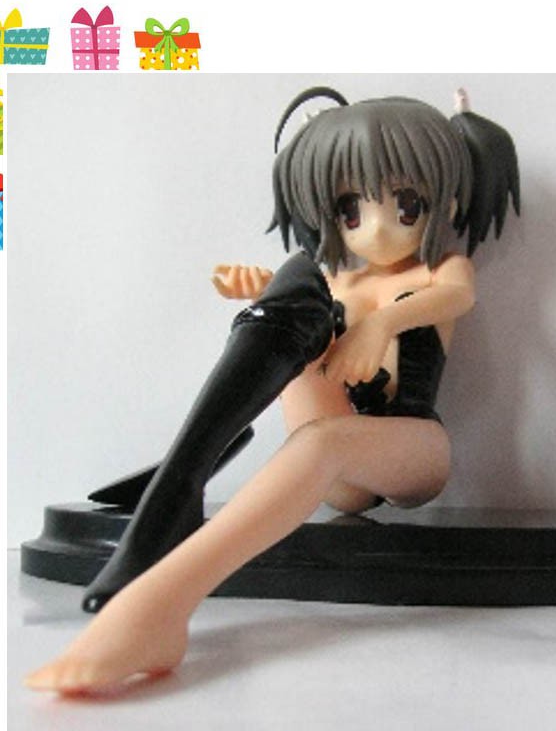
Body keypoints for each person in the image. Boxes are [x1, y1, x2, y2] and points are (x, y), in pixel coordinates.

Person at [25, 85, 519, 693]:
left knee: (321, 441)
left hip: (413, 450)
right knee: (296, 300)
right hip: (342, 474)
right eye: (351, 210)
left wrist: (381, 323)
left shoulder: (440, 269)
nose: (376, 228)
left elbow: (457, 298)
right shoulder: (335, 280)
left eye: (407, 204)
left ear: (443, 198)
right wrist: (265, 291)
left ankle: (159, 602)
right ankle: (185, 476)